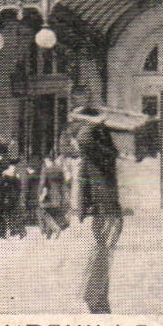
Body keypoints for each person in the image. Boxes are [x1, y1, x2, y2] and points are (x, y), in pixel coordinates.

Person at [73, 112, 123, 314]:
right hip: (105, 211)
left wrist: (92, 122)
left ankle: (96, 300)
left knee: (100, 254)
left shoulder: (95, 157)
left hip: (106, 212)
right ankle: (98, 299)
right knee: (101, 254)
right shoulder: (97, 157)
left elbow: (84, 138)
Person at [38, 154, 69, 238]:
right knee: (51, 211)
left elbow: (42, 183)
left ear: (46, 159)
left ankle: (55, 229)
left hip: (51, 197)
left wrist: (40, 195)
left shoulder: (46, 169)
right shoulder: (60, 169)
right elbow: (65, 182)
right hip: (60, 198)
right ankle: (50, 232)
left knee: (41, 210)